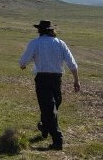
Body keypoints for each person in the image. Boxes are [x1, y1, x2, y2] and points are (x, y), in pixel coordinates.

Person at [19, 20, 80, 151]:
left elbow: (23, 61)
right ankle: (55, 137)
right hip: (56, 79)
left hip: (42, 79)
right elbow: (72, 63)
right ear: (52, 30)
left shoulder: (35, 43)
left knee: (50, 108)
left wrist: (23, 65)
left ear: (40, 30)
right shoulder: (60, 43)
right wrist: (76, 80)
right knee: (51, 107)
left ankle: (50, 132)